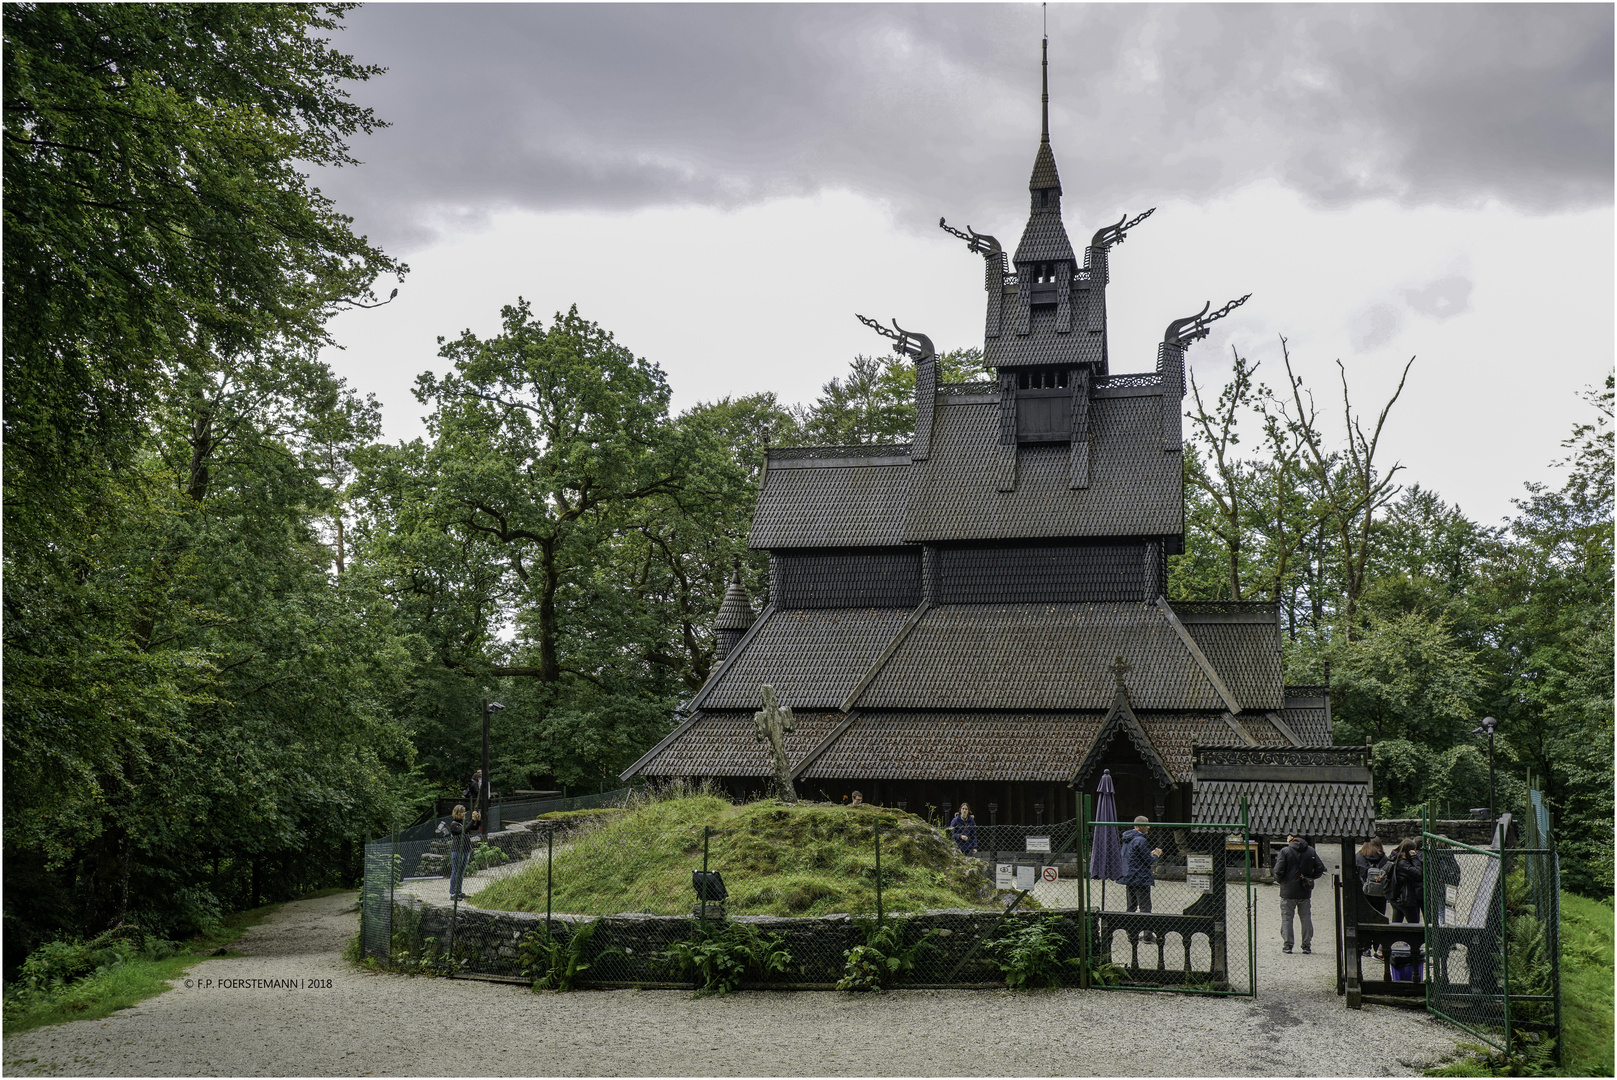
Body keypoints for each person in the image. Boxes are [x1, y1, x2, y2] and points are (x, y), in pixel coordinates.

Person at [1273, 833, 1327, 954]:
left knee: (1287, 918)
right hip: (1305, 890)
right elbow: (1320, 867)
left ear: (1290, 838)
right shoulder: (1310, 850)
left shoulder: (1285, 851)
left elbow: (1278, 870)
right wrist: (1310, 877)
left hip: (1288, 891)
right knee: (1306, 917)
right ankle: (1306, 945)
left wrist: (1281, 881)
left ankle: (1288, 945)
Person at [1120, 815, 1163, 943]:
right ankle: (1148, 935)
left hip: (1129, 876)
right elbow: (1148, 861)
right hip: (1141, 877)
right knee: (1145, 907)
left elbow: (1133, 856)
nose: (1149, 827)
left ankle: (1131, 934)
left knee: (1131, 906)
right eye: (1147, 824)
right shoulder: (1140, 840)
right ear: (1141, 826)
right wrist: (1156, 855)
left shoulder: (1127, 839)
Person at [1354, 837, 1390, 958]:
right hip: (1380, 895)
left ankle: (1365, 947)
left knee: (1365, 920)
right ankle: (1378, 946)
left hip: (1365, 894)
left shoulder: (1359, 857)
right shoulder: (1384, 858)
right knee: (1379, 919)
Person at [1388, 838, 1424, 924]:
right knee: (1414, 924)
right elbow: (1419, 873)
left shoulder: (1394, 858)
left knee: (1396, 923)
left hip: (1396, 897)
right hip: (1406, 899)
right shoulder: (1403, 863)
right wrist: (1414, 857)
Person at [448, 804, 480, 901]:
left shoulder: (463, 822)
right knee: (456, 871)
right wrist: (473, 820)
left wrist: (478, 820)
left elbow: (474, 828)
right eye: (462, 812)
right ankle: (453, 893)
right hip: (457, 850)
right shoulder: (454, 825)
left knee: (461, 872)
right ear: (457, 813)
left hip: (466, 850)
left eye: (464, 812)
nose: (463, 814)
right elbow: (464, 830)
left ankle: (459, 891)